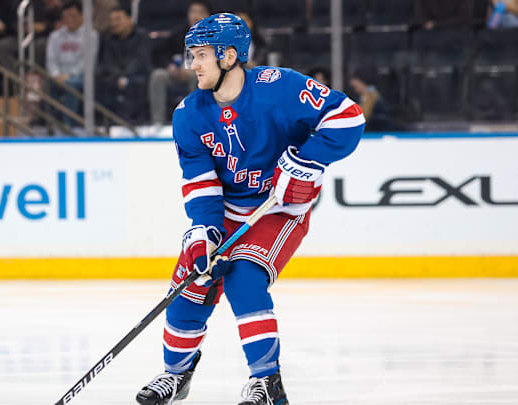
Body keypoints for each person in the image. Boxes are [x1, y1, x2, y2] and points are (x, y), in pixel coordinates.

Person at [135, 13, 365, 405]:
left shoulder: (280, 87)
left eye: (201, 55)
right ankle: (176, 374)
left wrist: (306, 161)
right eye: (191, 55)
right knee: (190, 286)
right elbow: (201, 183)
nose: (192, 64)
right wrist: (204, 233)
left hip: (278, 209)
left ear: (228, 56)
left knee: (243, 279)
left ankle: (267, 381)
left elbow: (348, 117)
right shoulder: (188, 114)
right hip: (224, 211)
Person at [148, 0, 211, 126]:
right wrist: (169, 65)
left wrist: (195, 69)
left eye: (200, 12)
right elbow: (160, 54)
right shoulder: (178, 34)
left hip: (200, 74)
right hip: (176, 72)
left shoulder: (213, 37)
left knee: (198, 77)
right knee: (158, 75)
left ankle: (195, 121)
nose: (195, 16)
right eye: (193, 12)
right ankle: (157, 121)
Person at [46, 0, 98, 126]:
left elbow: (88, 61)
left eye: (73, 16)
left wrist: (69, 76)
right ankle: (50, 123)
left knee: (71, 84)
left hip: (81, 76)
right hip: (59, 76)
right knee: (47, 84)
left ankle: (68, 125)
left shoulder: (91, 35)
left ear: (82, 16)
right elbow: (51, 59)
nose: (69, 19)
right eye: (66, 16)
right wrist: (56, 74)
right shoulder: (55, 36)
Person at [96, 4, 151, 124]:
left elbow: (141, 60)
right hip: (114, 78)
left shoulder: (142, 36)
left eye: (118, 19)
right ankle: (106, 122)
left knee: (139, 83)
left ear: (130, 19)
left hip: (137, 76)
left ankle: (139, 122)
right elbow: (107, 61)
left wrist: (125, 77)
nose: (114, 23)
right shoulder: (107, 39)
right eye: (111, 20)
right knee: (102, 82)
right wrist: (118, 77)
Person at [0, 0, 63, 75]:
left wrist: (45, 26)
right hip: (19, 37)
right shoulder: (19, 3)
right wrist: (17, 26)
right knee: (2, 46)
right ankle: (20, 76)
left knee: (42, 45)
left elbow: (59, 24)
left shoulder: (52, 5)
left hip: (41, 37)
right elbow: (7, 21)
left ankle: (34, 75)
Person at [348, 68, 394, 132]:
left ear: (362, 81)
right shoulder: (361, 98)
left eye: (354, 79)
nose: (352, 83)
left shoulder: (375, 99)